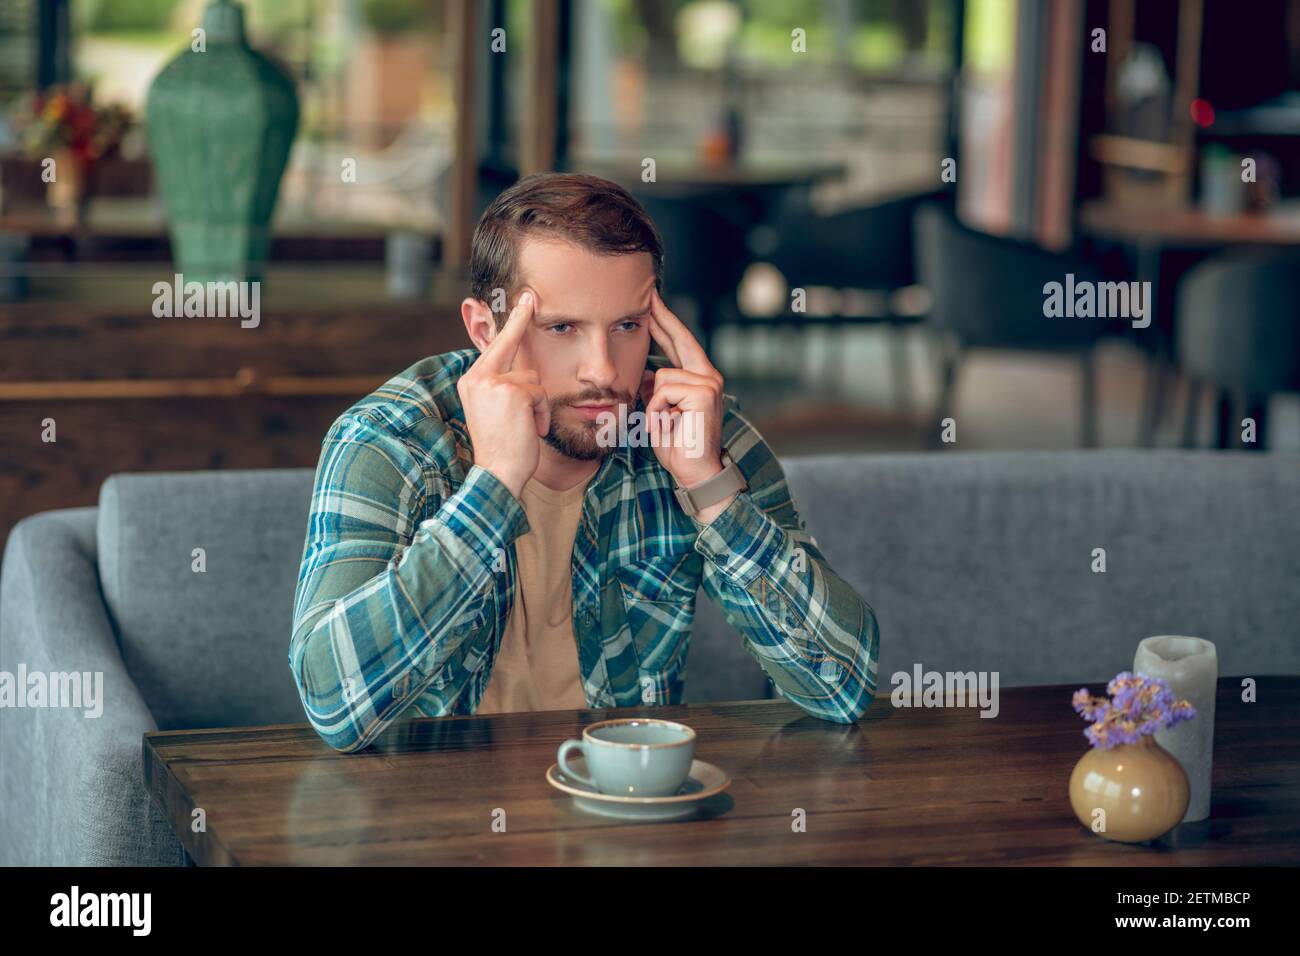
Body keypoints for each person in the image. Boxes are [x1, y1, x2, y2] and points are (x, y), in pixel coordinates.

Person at [289, 172, 879, 753]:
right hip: (436, 806)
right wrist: (492, 486)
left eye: (627, 325)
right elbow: (335, 707)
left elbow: (843, 689)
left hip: (624, 802)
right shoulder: (392, 441)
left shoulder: (697, 432)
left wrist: (710, 488)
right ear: (485, 329)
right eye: (562, 327)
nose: (602, 369)